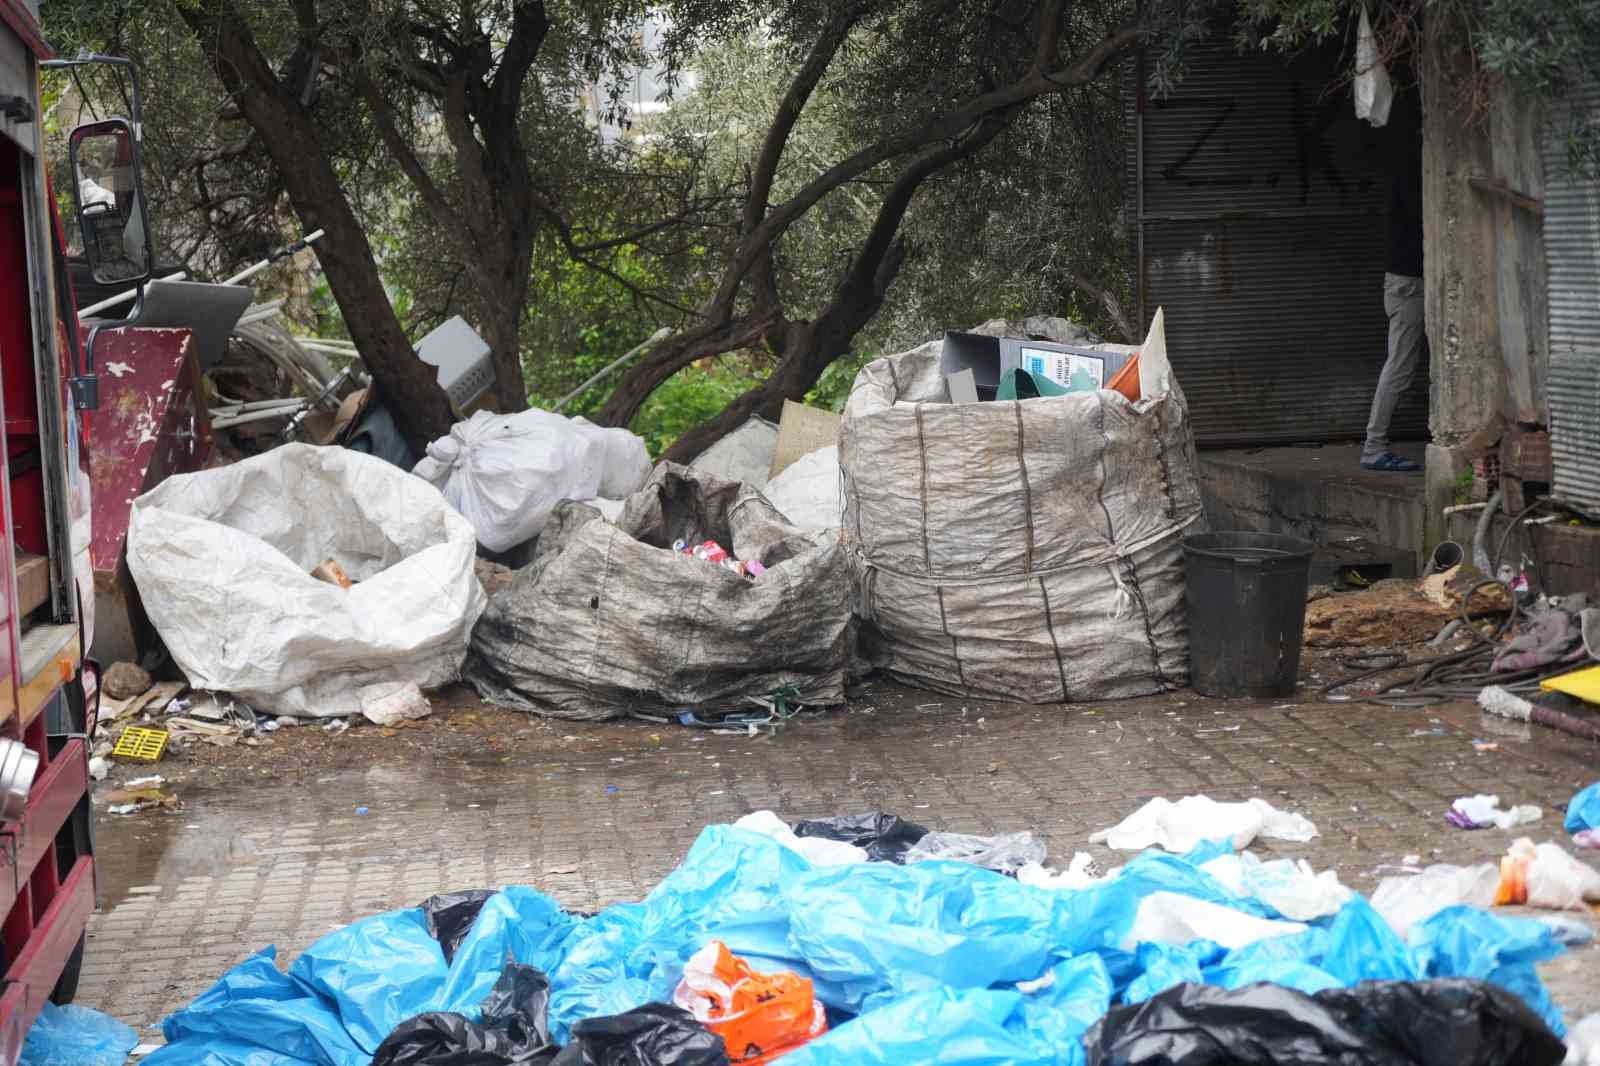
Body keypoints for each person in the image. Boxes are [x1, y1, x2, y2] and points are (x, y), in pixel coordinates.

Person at [1362, 149, 1424, 472]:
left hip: (1406, 282)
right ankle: (1374, 446)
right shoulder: (1414, 173)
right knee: (1400, 366)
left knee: (1402, 364)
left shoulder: (1406, 170)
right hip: (1409, 284)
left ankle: (1375, 445)